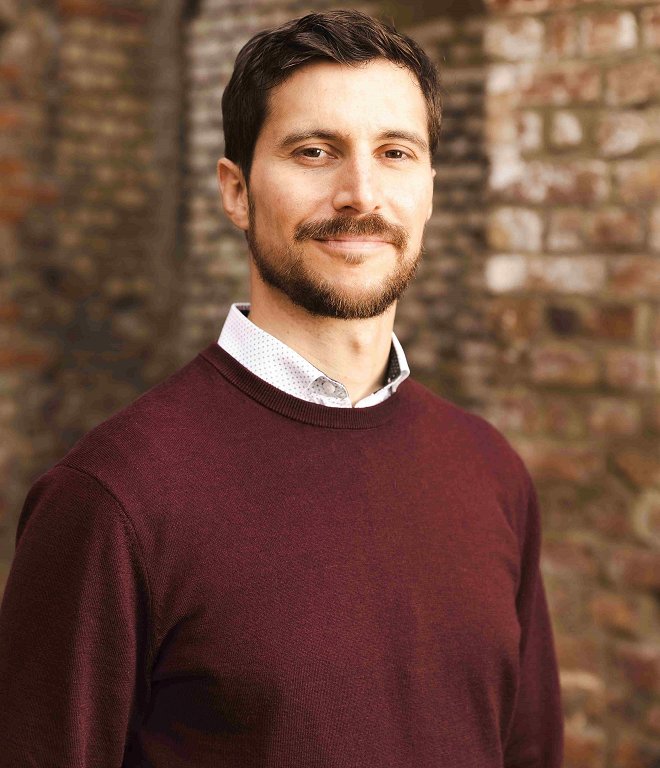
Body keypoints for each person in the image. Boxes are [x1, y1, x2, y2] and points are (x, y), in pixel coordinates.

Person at [0, 9, 563, 767]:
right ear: (236, 192)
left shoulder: (490, 470)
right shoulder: (111, 498)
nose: (361, 193)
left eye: (395, 153)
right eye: (314, 151)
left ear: (431, 189)